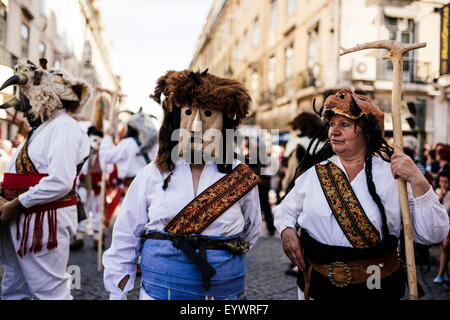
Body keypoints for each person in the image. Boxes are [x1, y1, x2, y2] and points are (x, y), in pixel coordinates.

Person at [274, 88, 449, 300]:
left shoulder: (394, 175)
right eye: (331, 125)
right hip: (319, 285)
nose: (334, 132)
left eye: (344, 124)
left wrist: (418, 181)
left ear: (366, 131)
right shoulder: (314, 174)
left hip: (376, 286)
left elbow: (433, 234)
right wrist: (286, 231)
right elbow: (284, 210)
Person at [103, 69, 262, 300]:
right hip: (160, 292)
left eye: (208, 114)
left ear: (224, 124)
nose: (196, 127)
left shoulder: (240, 175)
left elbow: (250, 230)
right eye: (188, 113)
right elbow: (127, 234)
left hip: (223, 293)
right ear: (176, 119)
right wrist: (118, 291)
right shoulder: (152, 175)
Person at [0, 59, 91, 300]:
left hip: (41, 218)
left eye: (27, 99)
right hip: (21, 216)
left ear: (42, 97)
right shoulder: (44, 128)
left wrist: (17, 204)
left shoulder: (64, 128)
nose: (25, 107)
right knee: (13, 286)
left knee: (49, 291)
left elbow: (60, 181)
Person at [433, 170, 450, 284]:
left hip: (449, 225)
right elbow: (435, 207)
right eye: (441, 181)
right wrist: (440, 197)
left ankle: (440, 274)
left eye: (446, 182)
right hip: (440, 225)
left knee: (445, 248)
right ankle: (445, 273)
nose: (443, 184)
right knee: (443, 249)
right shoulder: (438, 191)